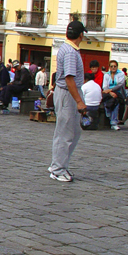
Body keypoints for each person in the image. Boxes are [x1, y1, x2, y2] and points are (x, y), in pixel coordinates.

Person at [48, 20, 87, 182]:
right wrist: (79, 100)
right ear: (80, 34)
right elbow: (69, 77)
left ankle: (59, 164)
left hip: (65, 91)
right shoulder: (71, 52)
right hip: (68, 93)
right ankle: (58, 168)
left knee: (72, 131)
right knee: (66, 132)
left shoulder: (65, 48)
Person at [102, 60, 126, 131]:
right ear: (109, 67)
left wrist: (111, 90)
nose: (113, 68)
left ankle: (114, 123)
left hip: (118, 92)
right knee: (108, 100)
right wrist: (110, 92)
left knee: (115, 102)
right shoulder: (106, 75)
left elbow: (120, 84)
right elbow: (105, 86)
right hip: (108, 93)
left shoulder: (121, 73)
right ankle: (108, 114)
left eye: (115, 66)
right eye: (111, 66)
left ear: (117, 67)